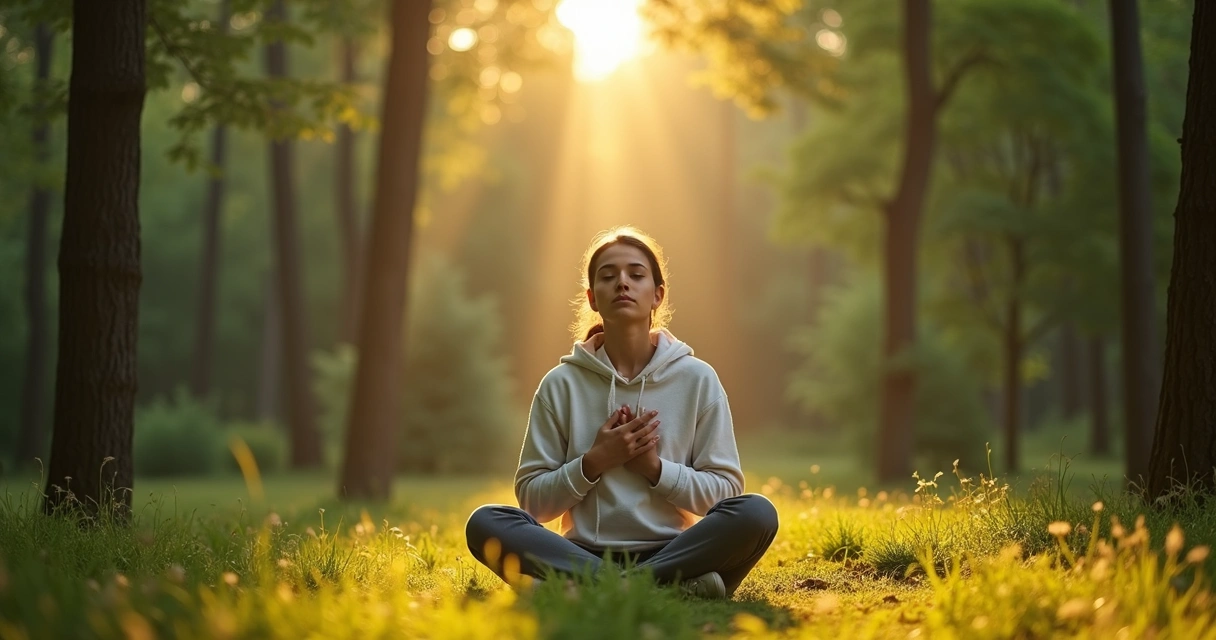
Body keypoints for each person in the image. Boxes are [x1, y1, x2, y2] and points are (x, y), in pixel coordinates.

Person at [465, 226, 778, 599]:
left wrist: (654, 470)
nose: (622, 284)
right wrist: (594, 462)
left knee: (756, 513)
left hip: (674, 551)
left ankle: (589, 590)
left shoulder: (697, 379)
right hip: (577, 553)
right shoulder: (560, 384)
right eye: (608, 276)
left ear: (657, 295)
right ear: (592, 298)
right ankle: (662, 589)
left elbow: (725, 494)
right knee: (485, 521)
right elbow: (533, 502)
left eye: (636, 274)